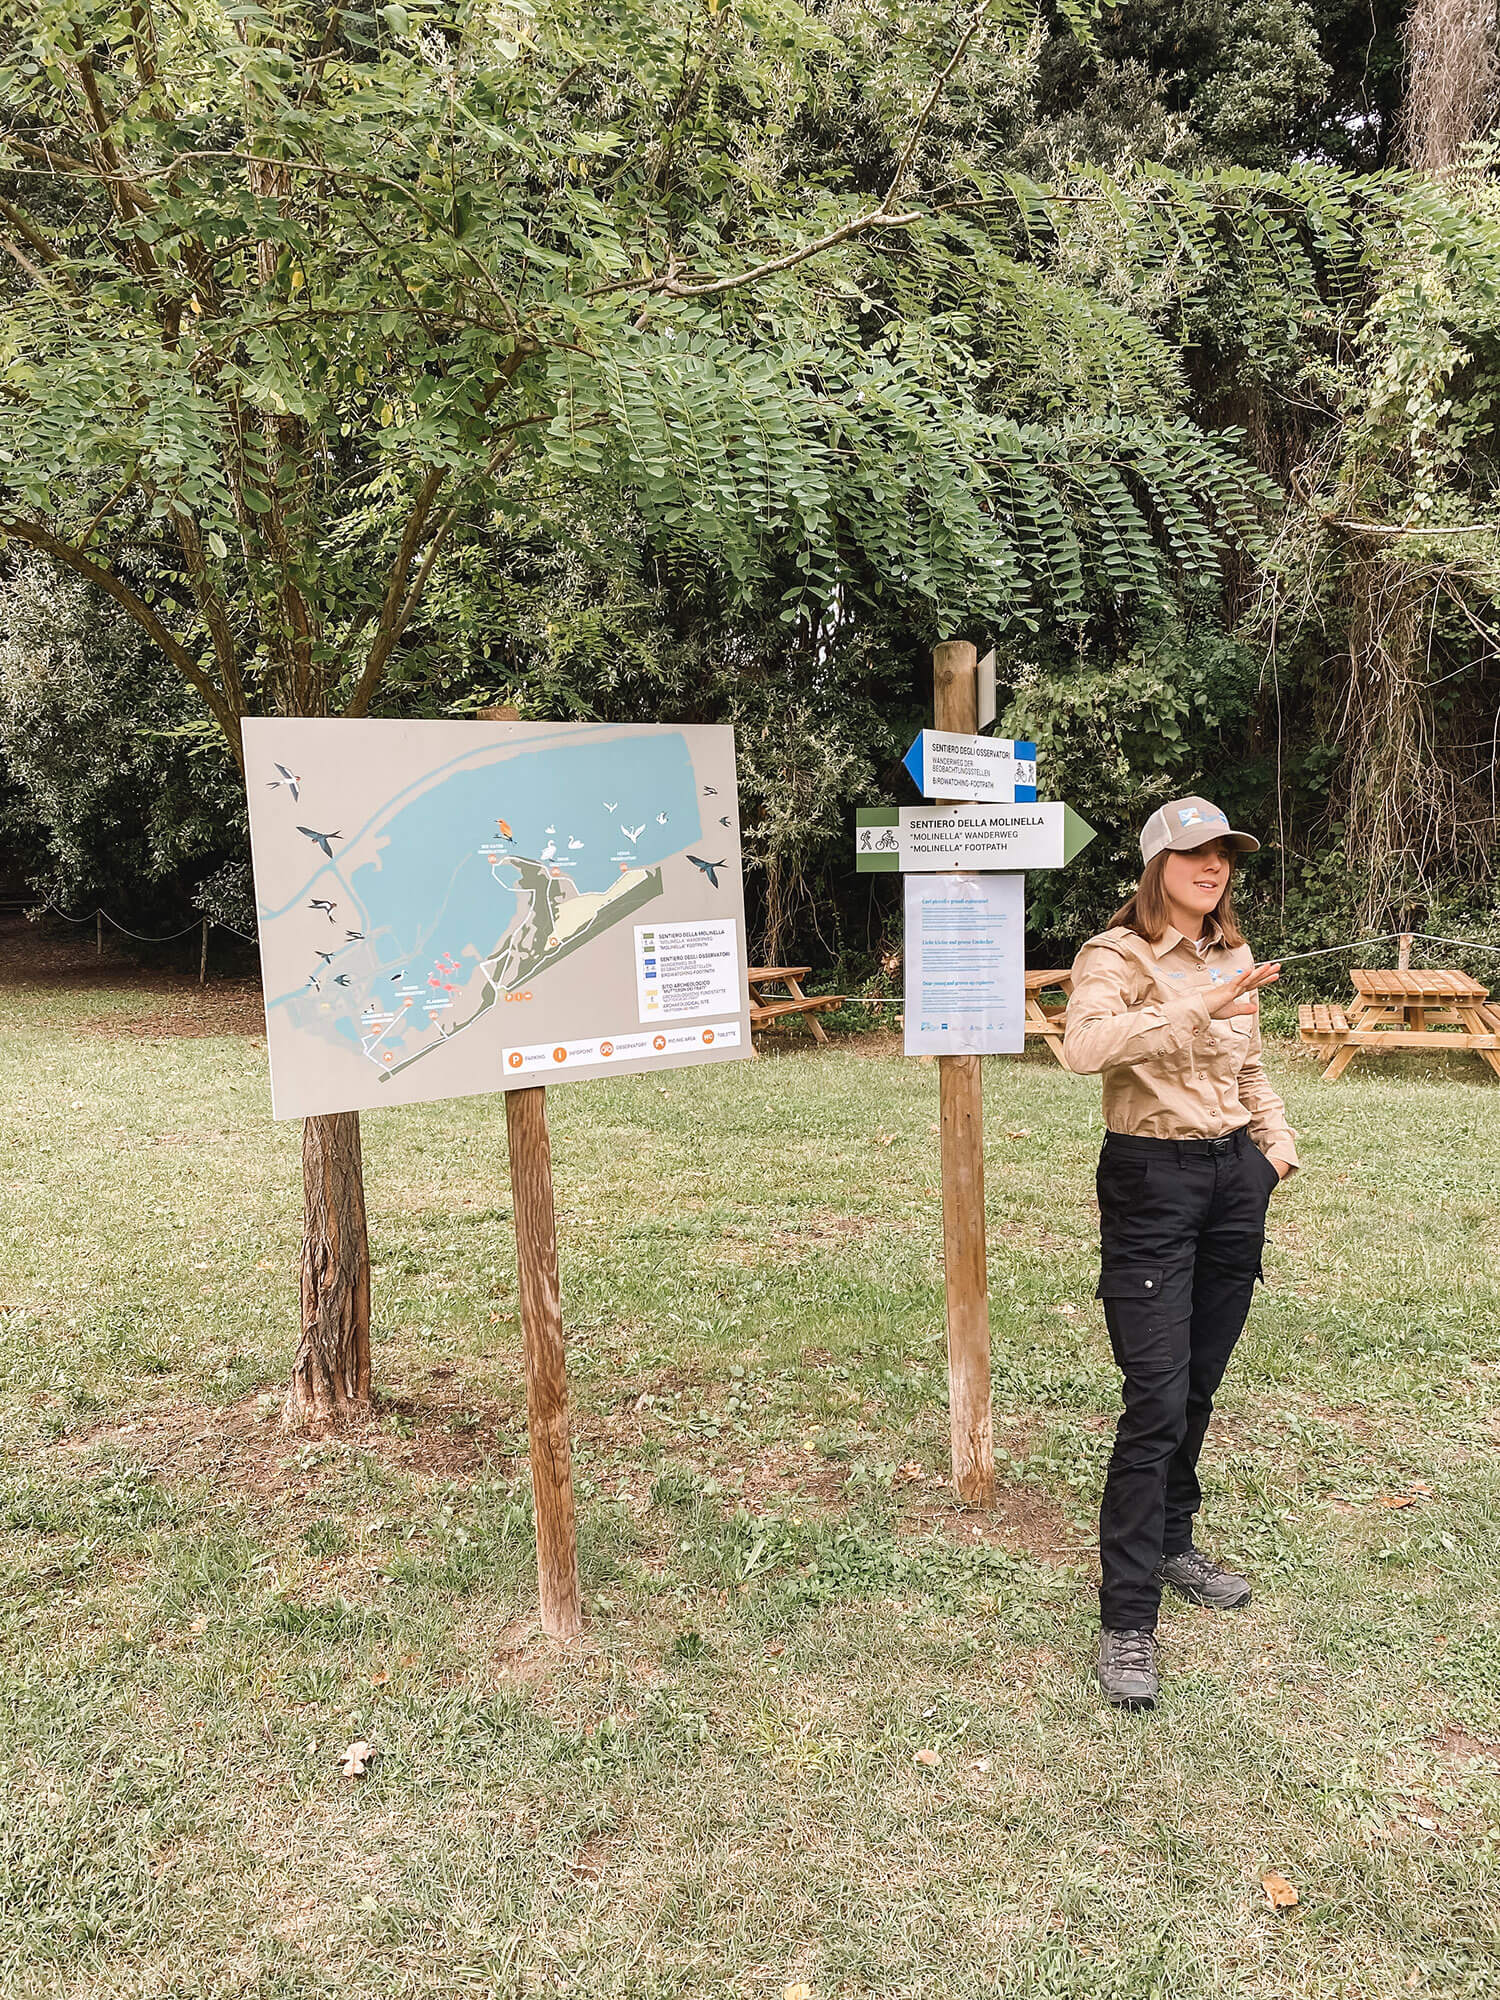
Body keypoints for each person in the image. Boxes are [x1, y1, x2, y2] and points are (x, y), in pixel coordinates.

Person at [1062, 797, 1298, 1710]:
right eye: (1195, 853)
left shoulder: (1235, 953)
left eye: (1226, 854)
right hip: (1151, 1181)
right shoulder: (1114, 956)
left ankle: (1171, 1542)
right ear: (1159, 863)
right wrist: (1193, 1007)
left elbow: (1248, 1067)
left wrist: (1274, 1148)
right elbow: (1084, 1048)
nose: (1214, 867)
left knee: (1198, 1380)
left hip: (1235, 1176)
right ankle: (1127, 1618)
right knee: (1154, 1398)